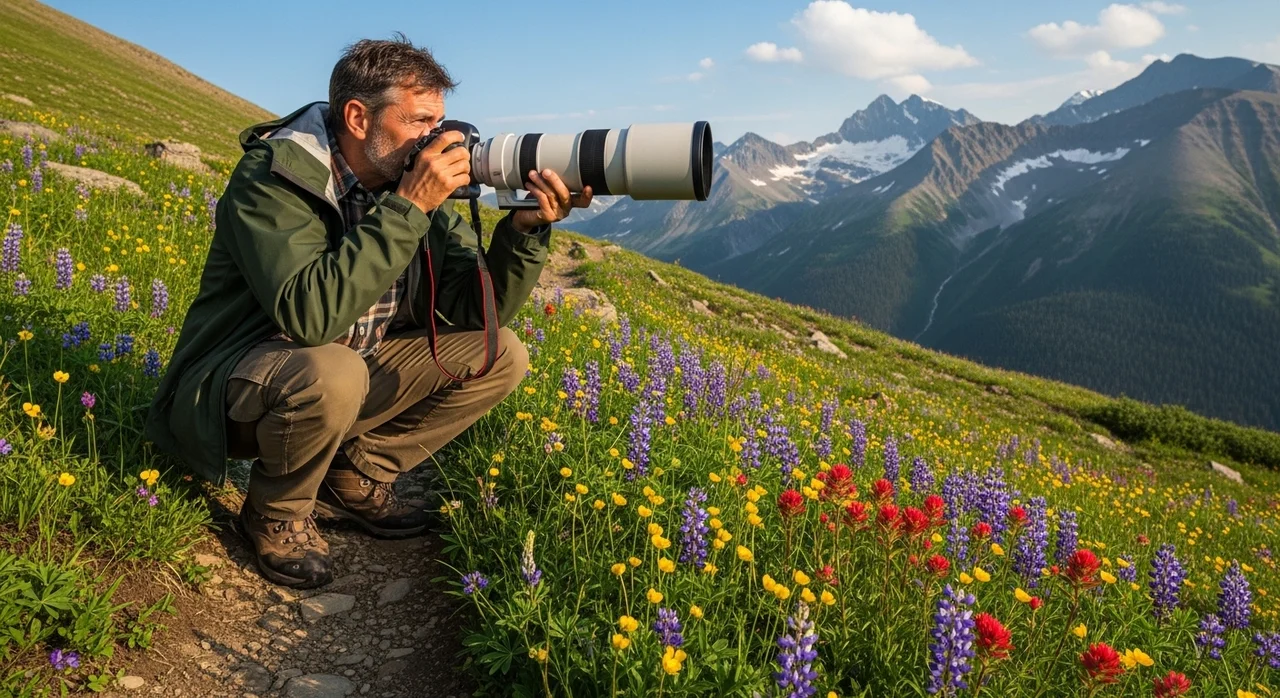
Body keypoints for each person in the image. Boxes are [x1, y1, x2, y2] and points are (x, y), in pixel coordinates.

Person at [144, 34, 592, 588]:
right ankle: (276, 512)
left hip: (349, 373)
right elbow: (310, 318)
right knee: (332, 369)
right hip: (233, 393)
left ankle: (353, 474)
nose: (439, 139)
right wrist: (410, 208)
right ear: (358, 117)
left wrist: (524, 232)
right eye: (420, 121)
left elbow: (479, 312)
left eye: (441, 121)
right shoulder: (275, 178)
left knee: (498, 353)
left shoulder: (403, 184)